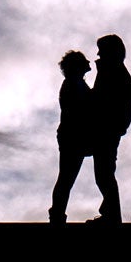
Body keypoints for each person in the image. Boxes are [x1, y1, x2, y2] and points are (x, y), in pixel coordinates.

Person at [87, 34, 131, 224]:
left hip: (107, 131)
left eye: (102, 49)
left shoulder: (114, 73)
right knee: (104, 174)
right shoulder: (111, 71)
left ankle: (112, 217)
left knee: (104, 174)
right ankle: (110, 214)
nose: (98, 54)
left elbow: (102, 101)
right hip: (107, 130)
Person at [48, 49, 94, 224]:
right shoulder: (72, 85)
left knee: (66, 178)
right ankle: (57, 216)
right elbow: (79, 110)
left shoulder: (77, 84)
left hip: (74, 137)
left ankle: (57, 215)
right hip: (72, 138)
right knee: (66, 178)